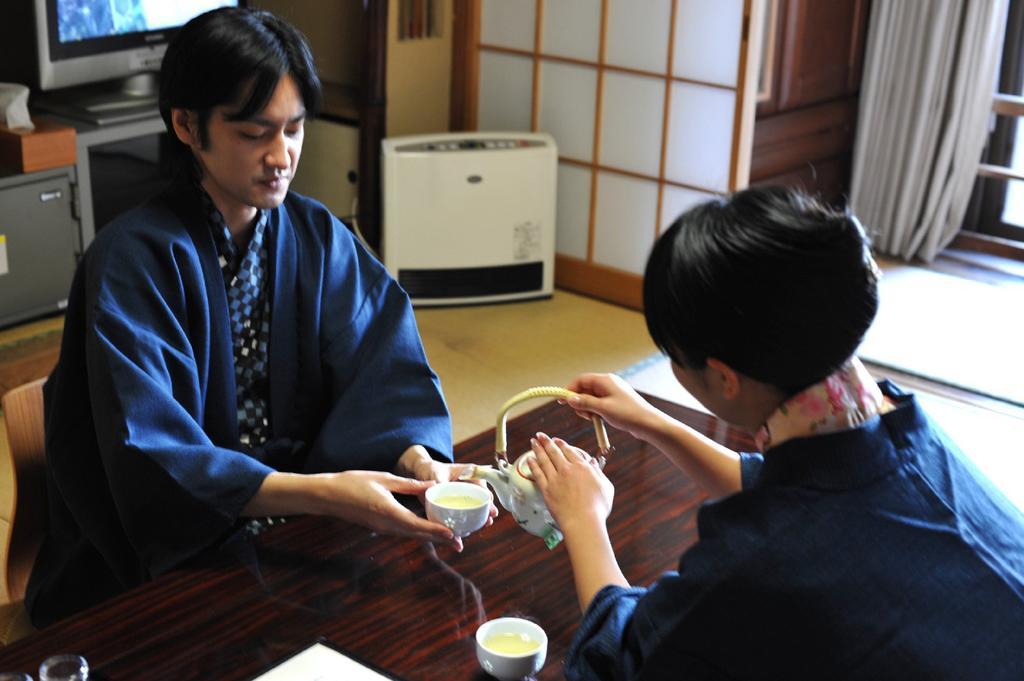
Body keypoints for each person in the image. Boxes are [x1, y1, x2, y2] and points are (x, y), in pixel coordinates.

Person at [26, 7, 492, 628]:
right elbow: (151, 456)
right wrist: (324, 495)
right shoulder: (131, 262)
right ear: (187, 125)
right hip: (165, 558)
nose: (282, 155)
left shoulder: (318, 237)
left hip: (300, 531)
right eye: (254, 133)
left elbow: (384, 369)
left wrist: (416, 462)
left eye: (295, 129)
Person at [526, 186, 1024, 679]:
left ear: (724, 378)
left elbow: (628, 660)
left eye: (675, 357)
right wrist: (654, 422)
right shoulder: (902, 428)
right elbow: (803, 491)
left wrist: (583, 516)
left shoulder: (754, 562)